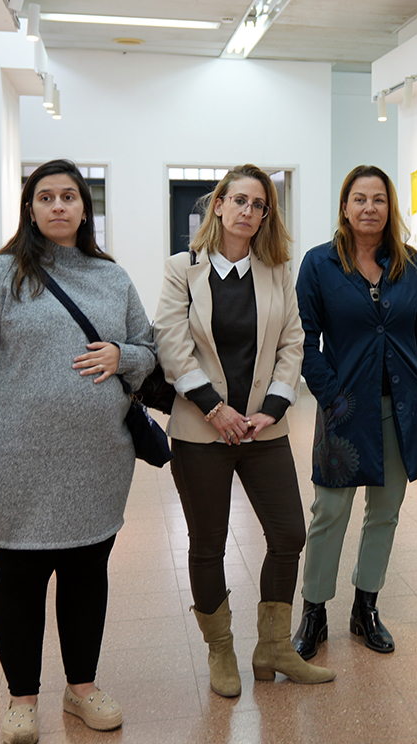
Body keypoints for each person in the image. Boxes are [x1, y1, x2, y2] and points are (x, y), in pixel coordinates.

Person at [0, 159, 155, 743]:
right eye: (46, 197)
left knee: (88, 575)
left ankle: (81, 689)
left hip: (98, 461)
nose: (58, 206)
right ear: (30, 209)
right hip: (13, 465)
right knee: (18, 581)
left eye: (69, 196)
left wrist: (122, 356)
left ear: (85, 208)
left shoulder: (112, 278)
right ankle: (22, 698)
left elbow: (147, 348)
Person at [153, 164, 334, 699]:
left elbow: (293, 344)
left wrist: (270, 410)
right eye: (240, 201)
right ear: (218, 204)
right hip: (200, 430)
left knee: (288, 535)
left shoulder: (277, 271)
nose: (249, 212)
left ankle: (274, 649)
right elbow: (170, 344)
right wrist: (217, 410)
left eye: (260, 205)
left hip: (263, 430)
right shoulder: (180, 270)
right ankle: (221, 650)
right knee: (207, 545)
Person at [290, 165, 417, 660]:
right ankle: (314, 613)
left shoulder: (411, 263)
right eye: (360, 199)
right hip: (344, 407)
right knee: (329, 510)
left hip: (401, 408)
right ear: (344, 206)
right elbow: (303, 338)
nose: (369, 208)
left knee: (385, 510)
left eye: (379, 199)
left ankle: (366, 608)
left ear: (389, 207)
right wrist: (329, 392)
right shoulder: (319, 265)